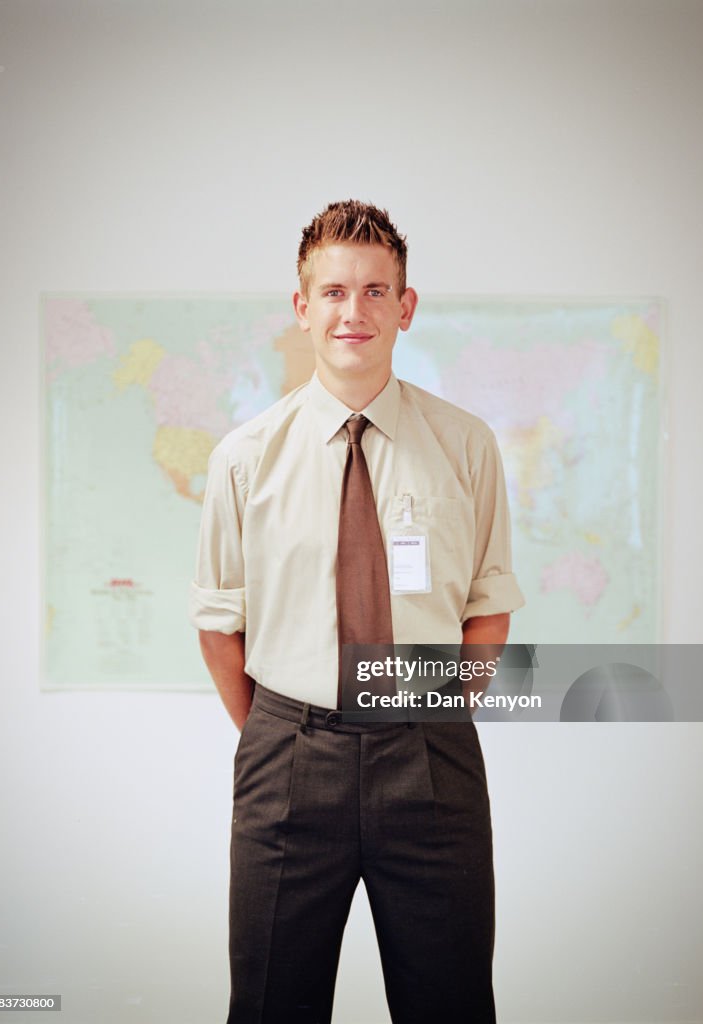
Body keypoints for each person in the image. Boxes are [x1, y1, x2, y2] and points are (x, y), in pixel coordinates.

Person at [190, 200, 525, 1023]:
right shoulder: (243, 458)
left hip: (430, 753)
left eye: (377, 291)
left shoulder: (466, 444)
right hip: (289, 756)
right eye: (334, 291)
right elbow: (218, 623)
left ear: (406, 308)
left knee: (449, 1003)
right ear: (302, 307)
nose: (355, 310)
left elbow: (488, 606)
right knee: (272, 1003)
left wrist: (433, 714)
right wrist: (287, 730)